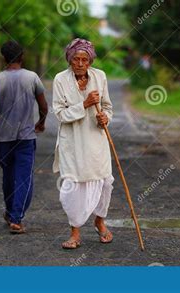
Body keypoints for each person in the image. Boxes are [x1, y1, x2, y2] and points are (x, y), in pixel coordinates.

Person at [0, 41, 48, 234]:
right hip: (26, 138)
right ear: (22, 57)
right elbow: (43, 105)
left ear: (4, 58)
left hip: (4, 138)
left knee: (8, 177)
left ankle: (11, 212)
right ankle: (16, 219)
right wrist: (41, 122)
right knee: (24, 178)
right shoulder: (32, 77)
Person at [52, 38, 114, 249]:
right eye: (76, 59)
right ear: (69, 60)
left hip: (96, 140)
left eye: (84, 60)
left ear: (90, 61)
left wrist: (105, 117)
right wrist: (84, 104)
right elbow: (59, 114)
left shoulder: (100, 77)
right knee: (73, 187)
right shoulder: (60, 79)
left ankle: (99, 221)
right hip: (73, 143)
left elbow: (107, 106)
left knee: (104, 182)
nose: (80, 63)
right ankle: (75, 233)